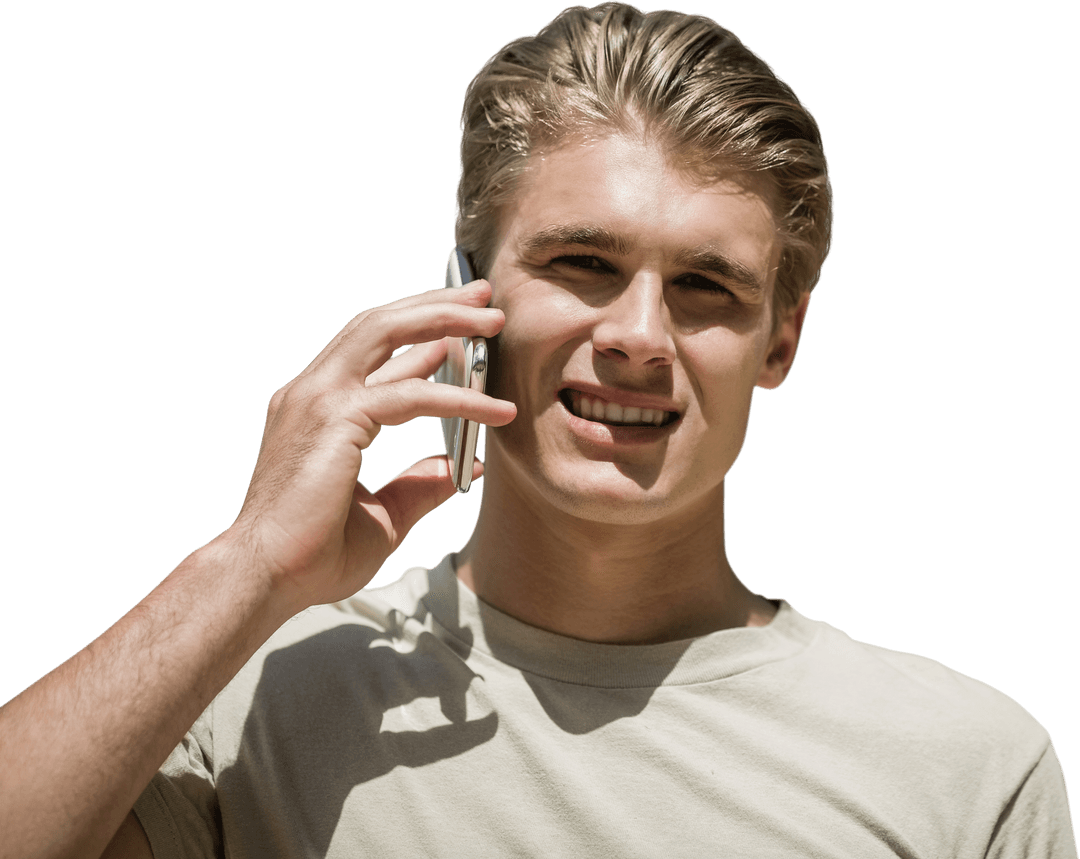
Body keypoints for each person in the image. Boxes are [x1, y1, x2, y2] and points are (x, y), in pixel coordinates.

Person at [1, 3, 1074, 857]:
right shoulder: (263, 698)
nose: (641, 335)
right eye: (583, 264)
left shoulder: (964, 765)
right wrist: (245, 568)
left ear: (781, 342)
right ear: (468, 295)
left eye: (706, 285)